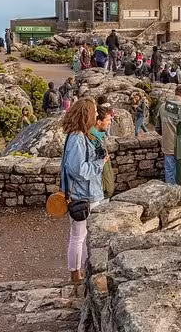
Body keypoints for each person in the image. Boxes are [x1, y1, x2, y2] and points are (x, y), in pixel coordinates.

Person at [59, 98, 108, 284]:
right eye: (94, 111)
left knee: (84, 235)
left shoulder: (80, 135)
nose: (97, 115)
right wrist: (99, 164)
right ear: (86, 114)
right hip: (82, 195)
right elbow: (77, 170)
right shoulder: (78, 138)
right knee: (78, 236)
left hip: (85, 193)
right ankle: (75, 274)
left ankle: (84, 271)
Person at [89, 106, 115, 199]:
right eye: (108, 120)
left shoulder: (99, 136)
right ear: (99, 122)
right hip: (97, 192)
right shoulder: (91, 139)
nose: (110, 122)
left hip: (102, 190)